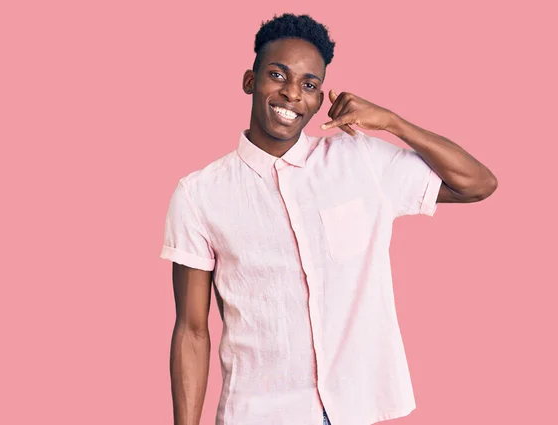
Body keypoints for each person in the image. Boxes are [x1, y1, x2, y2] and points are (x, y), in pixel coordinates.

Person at [160, 13, 497, 425]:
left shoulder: (359, 160)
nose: (292, 95)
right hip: (259, 413)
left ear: (321, 98)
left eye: (309, 85)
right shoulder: (199, 195)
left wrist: (391, 121)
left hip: (356, 410)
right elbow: (192, 330)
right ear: (250, 81)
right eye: (277, 75)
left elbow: (477, 183)